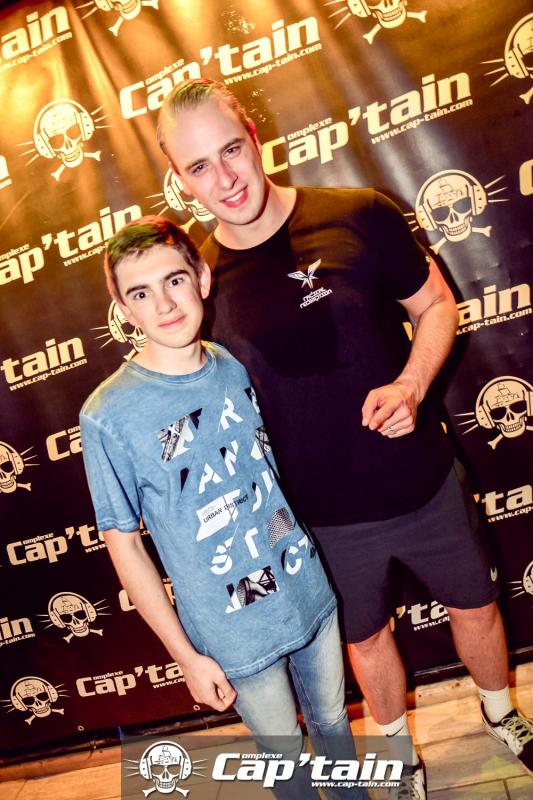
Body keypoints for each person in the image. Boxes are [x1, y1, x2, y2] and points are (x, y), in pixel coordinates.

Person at [156, 78, 533, 799]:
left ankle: (499, 713)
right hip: (318, 521)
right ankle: (399, 757)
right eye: (199, 165)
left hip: (422, 480)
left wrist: (412, 385)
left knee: (476, 608)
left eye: (230, 150)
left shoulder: (359, 212)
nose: (224, 178)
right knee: (365, 639)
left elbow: (436, 306)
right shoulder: (199, 287)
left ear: (254, 139)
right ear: (180, 178)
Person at [79, 215, 369, 800]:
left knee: (335, 726)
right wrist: (185, 655)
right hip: (232, 629)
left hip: (308, 591)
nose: (164, 304)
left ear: (202, 279)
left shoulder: (230, 365)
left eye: (174, 280)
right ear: (124, 309)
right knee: (285, 761)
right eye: (141, 293)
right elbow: (124, 546)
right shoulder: (107, 415)